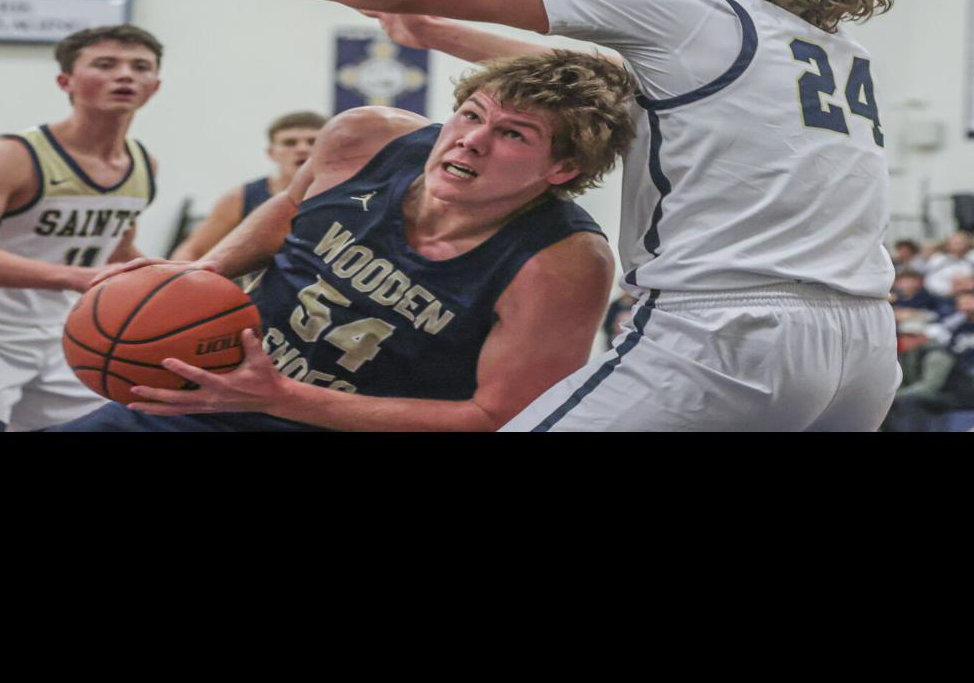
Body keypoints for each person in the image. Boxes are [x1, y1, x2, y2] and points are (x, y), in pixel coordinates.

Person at [255, 0, 903, 432]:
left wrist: (415, 11)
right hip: (864, 346)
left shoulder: (701, 17)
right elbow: (610, 83)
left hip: (728, 334)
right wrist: (435, 33)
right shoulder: (836, 53)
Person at [51, 50, 634, 432]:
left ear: (562, 169)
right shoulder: (366, 138)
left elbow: (496, 416)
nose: (471, 141)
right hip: (218, 391)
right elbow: (291, 207)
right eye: (471, 114)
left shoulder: (562, 265)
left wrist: (282, 398)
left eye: (513, 134)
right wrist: (201, 273)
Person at [0, 24, 164, 432]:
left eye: (140, 67)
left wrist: (171, 279)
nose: (125, 75)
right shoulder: (11, 155)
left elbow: (115, 249)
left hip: (66, 335)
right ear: (65, 81)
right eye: (105, 64)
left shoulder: (143, 164)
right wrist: (74, 277)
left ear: (155, 86)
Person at [171, 111, 326, 262]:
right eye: (289, 143)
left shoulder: (340, 194)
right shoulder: (240, 198)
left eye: (312, 142)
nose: (302, 149)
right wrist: (179, 275)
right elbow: (191, 251)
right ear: (271, 153)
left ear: (328, 148)